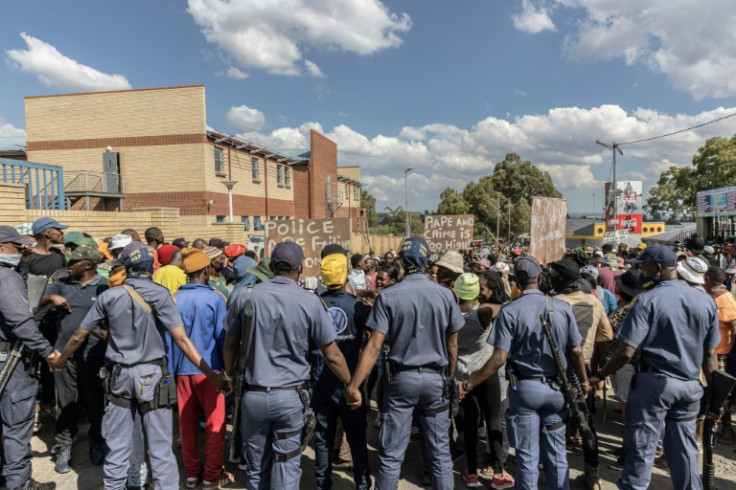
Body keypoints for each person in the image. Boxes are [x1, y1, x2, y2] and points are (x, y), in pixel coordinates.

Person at [51, 242, 230, 490]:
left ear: (126, 266)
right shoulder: (161, 295)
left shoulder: (110, 296)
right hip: (153, 377)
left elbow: (79, 336)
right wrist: (212, 375)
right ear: (151, 267)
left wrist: (60, 361)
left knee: (117, 446)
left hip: (119, 376)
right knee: (160, 448)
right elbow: (181, 339)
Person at [223, 241, 352, 490]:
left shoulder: (247, 296)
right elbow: (332, 354)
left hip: (254, 396)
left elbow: (230, 344)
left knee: (256, 465)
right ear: (300, 268)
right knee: (287, 464)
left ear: (271, 267)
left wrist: (228, 377)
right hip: (290, 398)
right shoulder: (310, 301)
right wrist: (351, 385)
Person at [589, 245, 720, 489]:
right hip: (691, 386)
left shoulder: (648, 299)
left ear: (659, 268)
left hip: (655, 385)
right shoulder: (705, 301)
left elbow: (626, 352)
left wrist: (600, 375)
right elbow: (710, 355)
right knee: (684, 450)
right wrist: (713, 393)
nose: (640, 268)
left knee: (642, 448)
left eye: (644, 265)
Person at [345, 236, 464, 489]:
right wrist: (449, 376)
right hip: (436, 379)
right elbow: (452, 344)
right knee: (440, 456)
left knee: (390, 455)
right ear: (427, 261)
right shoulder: (445, 295)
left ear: (401, 262)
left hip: (401, 380)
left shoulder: (388, 296)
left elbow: (374, 345)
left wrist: (355, 385)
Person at [460, 255, 588, 490]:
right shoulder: (561, 307)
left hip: (525, 389)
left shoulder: (510, 311)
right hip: (557, 389)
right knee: (557, 453)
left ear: (516, 281)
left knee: (527, 455)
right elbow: (577, 350)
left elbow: (498, 358)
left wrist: (469, 384)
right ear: (539, 277)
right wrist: (585, 382)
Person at [0, 225, 59, 490]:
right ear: (2, 249)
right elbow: (21, 321)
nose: (24, 250)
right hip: (9, 361)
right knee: (16, 427)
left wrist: (22, 265)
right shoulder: (5, 278)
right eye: (17, 246)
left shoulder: (11, 274)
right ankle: (19, 483)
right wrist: (48, 351)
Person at [41, 245, 108, 473]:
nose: (69, 265)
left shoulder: (103, 287)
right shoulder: (63, 283)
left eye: (74, 262)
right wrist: (51, 296)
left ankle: (96, 440)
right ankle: (64, 445)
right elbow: (34, 298)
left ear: (88, 265)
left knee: (94, 402)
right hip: (62, 355)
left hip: (93, 355)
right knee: (65, 403)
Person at [172, 247, 233, 489]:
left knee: (186, 426)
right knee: (214, 426)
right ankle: (211, 475)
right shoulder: (215, 298)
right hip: (212, 372)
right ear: (207, 270)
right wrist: (226, 373)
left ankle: (191, 474)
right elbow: (222, 339)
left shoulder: (174, 298)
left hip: (182, 371)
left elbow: (172, 340)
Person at [311, 251, 372, 490]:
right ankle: (362, 484)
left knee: (323, 438)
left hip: (321, 380)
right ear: (346, 274)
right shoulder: (359, 308)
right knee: (357, 438)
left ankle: (322, 485)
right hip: (350, 384)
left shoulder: (314, 306)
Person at [453, 273, 513, 489]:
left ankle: (470, 474)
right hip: (486, 377)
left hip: (462, 378)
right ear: (477, 292)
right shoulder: (484, 313)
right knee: (494, 421)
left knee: (469, 425)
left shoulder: (451, 317)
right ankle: (498, 473)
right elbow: (505, 305)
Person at [703, 265, 736, 444]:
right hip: (710, 353)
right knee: (709, 394)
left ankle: (728, 430)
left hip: (721, 354)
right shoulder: (712, 296)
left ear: (708, 279)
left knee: (721, 396)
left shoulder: (726, 299)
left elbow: (734, 327)